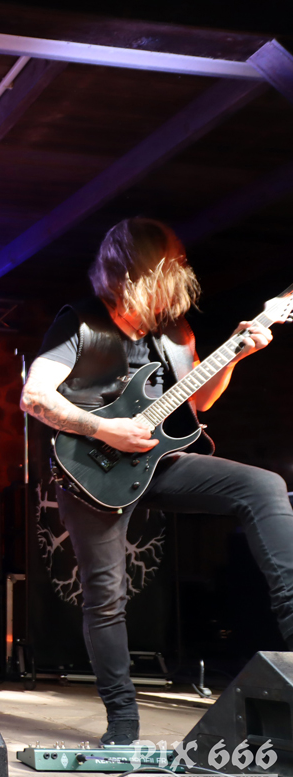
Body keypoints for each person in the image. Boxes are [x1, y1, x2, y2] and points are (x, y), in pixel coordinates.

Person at [21, 217, 293, 745]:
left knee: (263, 486)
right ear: (132, 275)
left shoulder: (175, 330)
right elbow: (35, 398)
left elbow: (199, 401)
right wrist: (105, 429)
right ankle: (123, 725)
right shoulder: (80, 322)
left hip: (159, 461)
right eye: (168, 273)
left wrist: (237, 353)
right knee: (107, 595)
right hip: (91, 471)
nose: (177, 285)